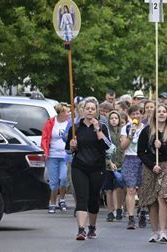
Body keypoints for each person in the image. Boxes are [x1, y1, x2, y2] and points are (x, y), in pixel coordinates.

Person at [65, 98, 111, 240]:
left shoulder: (102, 126)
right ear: (82, 110)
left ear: (96, 111)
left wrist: (97, 130)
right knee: (82, 197)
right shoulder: (76, 127)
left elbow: (107, 146)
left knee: (93, 198)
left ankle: (92, 227)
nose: (90, 110)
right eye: (87, 108)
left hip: (97, 167)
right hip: (79, 166)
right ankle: (81, 229)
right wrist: (72, 146)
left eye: (92, 108)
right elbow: (67, 150)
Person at [137, 104, 167, 244]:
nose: (161, 114)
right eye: (159, 111)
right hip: (150, 168)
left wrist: (162, 146)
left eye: (164, 112)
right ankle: (154, 231)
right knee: (152, 200)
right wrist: (152, 165)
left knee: (163, 197)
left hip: (166, 167)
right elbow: (141, 152)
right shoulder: (147, 131)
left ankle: (163, 231)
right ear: (154, 114)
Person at [41, 103, 70, 214]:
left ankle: (62, 199)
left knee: (63, 179)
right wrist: (44, 150)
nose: (69, 114)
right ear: (61, 113)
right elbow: (44, 138)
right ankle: (52, 202)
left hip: (65, 155)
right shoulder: (50, 122)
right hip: (52, 155)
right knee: (53, 182)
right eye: (67, 112)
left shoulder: (69, 123)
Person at [120, 105, 146, 229]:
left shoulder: (147, 128)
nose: (136, 116)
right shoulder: (126, 128)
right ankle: (131, 217)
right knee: (131, 189)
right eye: (133, 114)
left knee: (142, 189)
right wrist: (130, 135)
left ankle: (142, 212)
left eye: (138, 114)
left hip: (143, 159)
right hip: (130, 158)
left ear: (142, 114)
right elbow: (123, 147)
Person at [103, 110, 126, 222]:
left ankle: (119, 208)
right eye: (111, 118)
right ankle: (110, 211)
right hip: (108, 163)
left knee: (119, 187)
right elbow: (104, 148)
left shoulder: (122, 132)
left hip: (120, 162)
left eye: (116, 118)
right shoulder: (106, 132)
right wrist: (109, 162)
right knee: (108, 189)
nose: (114, 120)